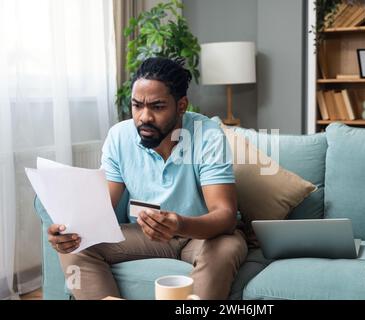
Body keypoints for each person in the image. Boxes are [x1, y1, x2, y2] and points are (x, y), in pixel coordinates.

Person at [46, 57, 248, 300]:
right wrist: (70, 229)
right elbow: (102, 206)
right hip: (147, 235)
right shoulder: (119, 137)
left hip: (203, 235)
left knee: (226, 249)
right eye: (137, 105)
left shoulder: (207, 135)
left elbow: (224, 215)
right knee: (76, 245)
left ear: (181, 105)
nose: (144, 117)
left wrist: (180, 223)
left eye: (157, 106)